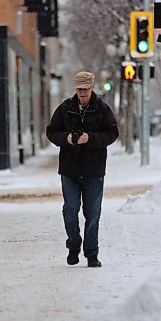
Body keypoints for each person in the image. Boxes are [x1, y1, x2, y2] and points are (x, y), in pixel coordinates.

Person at [46, 71, 119, 268]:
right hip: (69, 169)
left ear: (92, 88)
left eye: (86, 89)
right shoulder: (65, 108)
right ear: (75, 89)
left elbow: (112, 133)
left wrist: (91, 138)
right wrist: (66, 138)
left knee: (92, 213)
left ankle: (91, 253)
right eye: (79, 89)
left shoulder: (102, 109)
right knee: (70, 210)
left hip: (94, 169)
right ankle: (73, 246)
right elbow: (51, 131)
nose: (83, 93)